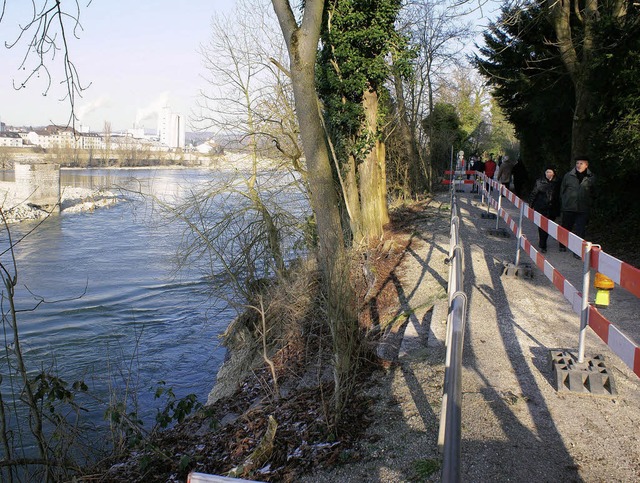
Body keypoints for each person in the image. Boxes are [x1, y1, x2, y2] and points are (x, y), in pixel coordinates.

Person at [559, 156, 596, 255]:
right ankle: (562, 244)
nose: (578, 165)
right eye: (577, 163)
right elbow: (562, 190)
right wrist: (564, 202)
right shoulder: (568, 176)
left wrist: (589, 202)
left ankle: (578, 251)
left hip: (583, 208)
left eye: (581, 163)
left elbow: (593, 193)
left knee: (580, 230)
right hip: (569, 207)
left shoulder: (591, 177)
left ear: (586, 165)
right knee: (566, 227)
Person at [528, 166, 561, 253]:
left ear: (553, 173)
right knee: (542, 226)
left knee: (549, 226)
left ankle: (543, 241)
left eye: (550, 172)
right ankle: (543, 245)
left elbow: (560, 195)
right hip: (541, 207)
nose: (548, 174)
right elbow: (533, 194)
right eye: (547, 172)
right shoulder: (539, 181)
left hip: (553, 208)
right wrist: (530, 205)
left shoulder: (557, 182)